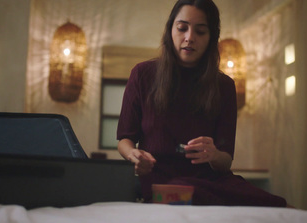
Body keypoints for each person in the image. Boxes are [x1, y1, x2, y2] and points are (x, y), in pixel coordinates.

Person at [117, 0, 287, 207]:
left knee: (276, 205)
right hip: (163, 187)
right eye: (182, 28)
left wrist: (214, 155)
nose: (189, 37)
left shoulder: (224, 86)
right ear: (170, 30)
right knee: (186, 192)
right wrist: (133, 155)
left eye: (200, 31)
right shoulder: (142, 74)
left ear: (211, 38)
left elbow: (225, 161)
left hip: (214, 183)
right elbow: (125, 139)